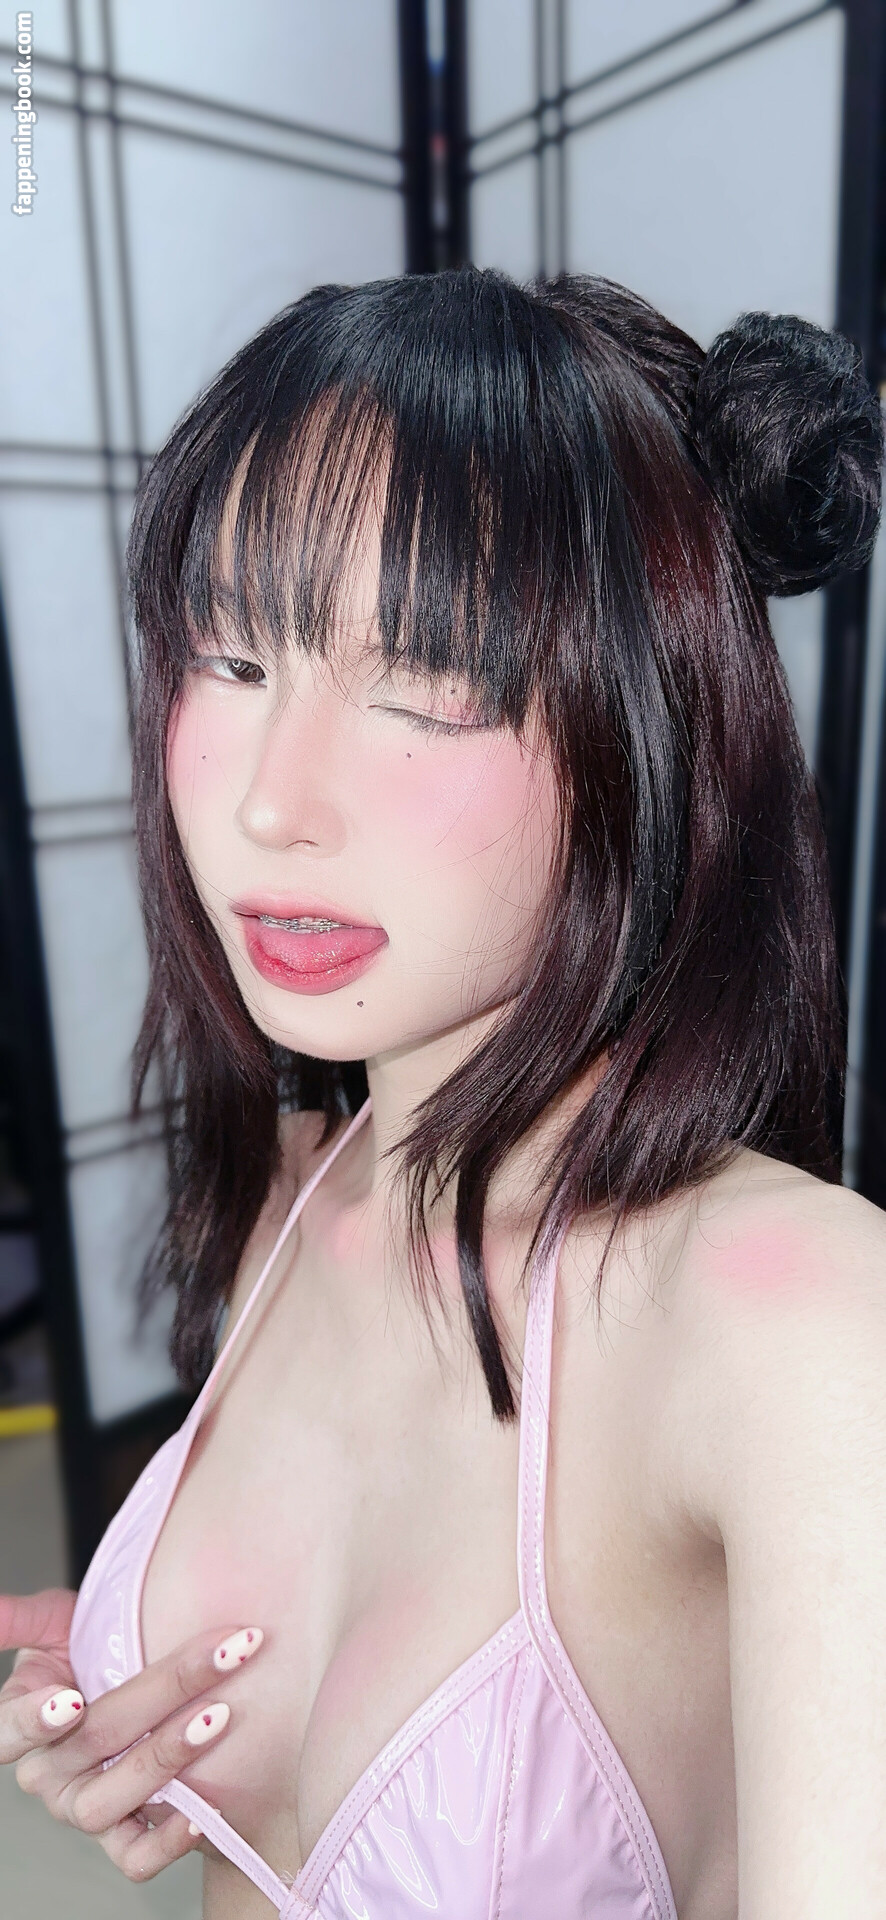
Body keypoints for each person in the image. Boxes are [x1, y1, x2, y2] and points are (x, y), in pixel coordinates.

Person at [1, 267, 885, 1920]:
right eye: (230, 658)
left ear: (649, 722)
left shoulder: (796, 1316)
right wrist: (153, 1733)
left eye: (420, 683)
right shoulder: (300, 1186)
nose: (272, 807)